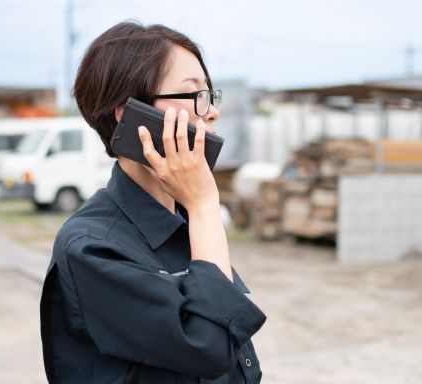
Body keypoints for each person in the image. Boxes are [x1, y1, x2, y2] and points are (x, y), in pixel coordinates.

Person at [40, 21, 266, 384]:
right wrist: (206, 205)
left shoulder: (182, 218)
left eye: (211, 94)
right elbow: (209, 347)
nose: (212, 112)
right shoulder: (91, 246)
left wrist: (197, 210)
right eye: (194, 95)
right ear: (129, 115)